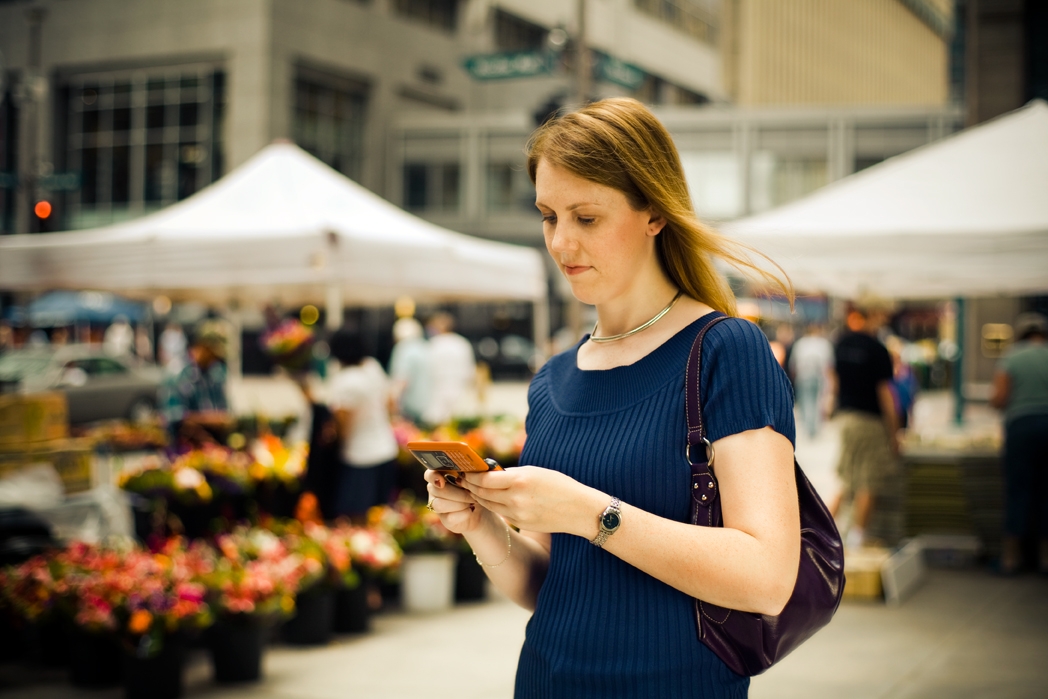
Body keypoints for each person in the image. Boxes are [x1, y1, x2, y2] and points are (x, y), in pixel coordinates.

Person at [425, 98, 799, 698]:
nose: (561, 242)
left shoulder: (727, 351)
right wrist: (483, 528)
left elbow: (767, 577)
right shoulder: (552, 380)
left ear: (653, 212)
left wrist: (587, 512)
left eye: (586, 217)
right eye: (549, 217)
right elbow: (549, 587)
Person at [830, 298, 899, 549]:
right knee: (868, 481)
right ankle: (857, 539)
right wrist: (894, 432)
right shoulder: (878, 349)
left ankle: (819, 533)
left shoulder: (841, 343)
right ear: (873, 315)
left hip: (846, 417)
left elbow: (834, 382)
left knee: (847, 480)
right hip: (870, 420)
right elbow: (885, 394)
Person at [990, 311, 1048, 574]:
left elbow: (1000, 397)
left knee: (1018, 490)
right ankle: (1045, 559)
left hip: (1021, 426)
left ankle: (1011, 559)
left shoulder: (1012, 356)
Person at [327, 330, 400, 519]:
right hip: (385, 447)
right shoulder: (372, 367)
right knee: (381, 514)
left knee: (355, 517)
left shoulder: (346, 381)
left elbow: (343, 426)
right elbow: (390, 402)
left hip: (359, 455)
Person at [158, 320, 232, 446]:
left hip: (214, 445)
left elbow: (225, 411)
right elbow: (174, 417)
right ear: (201, 347)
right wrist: (209, 420)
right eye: (212, 354)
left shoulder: (215, 373)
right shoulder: (178, 374)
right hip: (183, 447)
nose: (214, 360)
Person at [423, 312, 476, 425]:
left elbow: (427, 371)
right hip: (460, 390)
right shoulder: (462, 343)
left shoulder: (433, 344)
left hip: (436, 392)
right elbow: (470, 371)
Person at [789, 324, 835, 438]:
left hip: (803, 375)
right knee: (817, 401)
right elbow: (829, 365)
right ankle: (814, 428)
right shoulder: (824, 344)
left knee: (805, 402)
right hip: (818, 376)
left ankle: (807, 427)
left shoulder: (800, 343)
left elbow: (793, 364)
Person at [388, 317, 432, 425]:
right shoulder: (425, 347)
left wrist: (393, 408)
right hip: (428, 406)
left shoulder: (403, 348)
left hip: (410, 410)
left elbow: (401, 380)